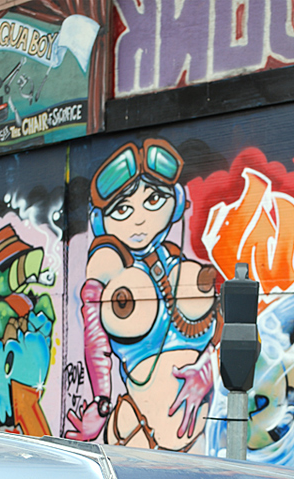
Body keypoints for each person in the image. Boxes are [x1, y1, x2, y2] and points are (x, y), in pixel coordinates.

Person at [66, 138, 221, 451]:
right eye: (122, 209)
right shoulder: (108, 271)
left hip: (202, 444)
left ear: (176, 201)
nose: (139, 219)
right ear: (100, 221)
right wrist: (102, 402)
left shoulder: (179, 264)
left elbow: (235, 325)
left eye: (153, 200)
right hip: (136, 434)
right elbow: (96, 343)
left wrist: (209, 369)